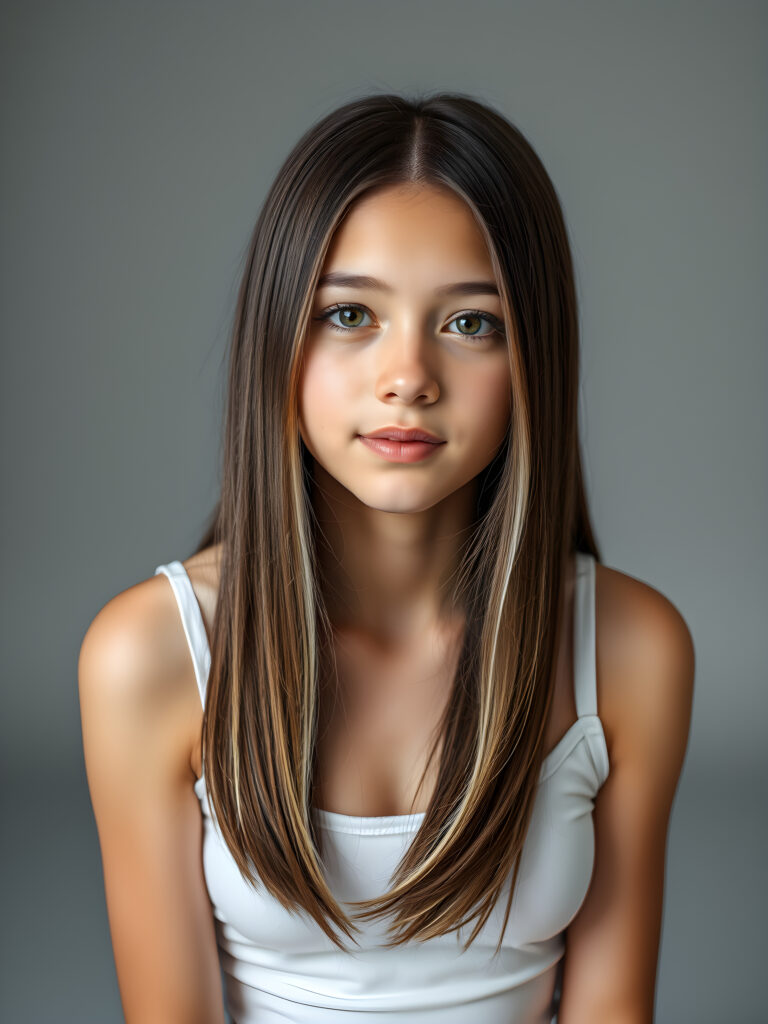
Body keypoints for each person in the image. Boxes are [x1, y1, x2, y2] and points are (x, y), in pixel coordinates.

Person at [78, 92, 695, 1024]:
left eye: (470, 323)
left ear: (538, 357)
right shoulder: (151, 656)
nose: (408, 375)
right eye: (350, 314)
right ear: (277, 339)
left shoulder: (631, 649)